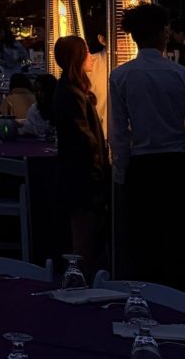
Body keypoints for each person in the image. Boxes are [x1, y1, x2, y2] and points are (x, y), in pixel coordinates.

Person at [108, 3, 185, 295]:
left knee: (144, 244)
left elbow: (118, 133)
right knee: (182, 244)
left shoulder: (121, 76)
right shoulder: (180, 75)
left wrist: (121, 173)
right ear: (162, 33)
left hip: (142, 167)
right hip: (176, 165)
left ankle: (147, 302)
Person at [53, 36, 108, 276]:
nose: (91, 57)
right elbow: (84, 138)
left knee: (86, 236)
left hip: (79, 173)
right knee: (84, 237)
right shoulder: (71, 93)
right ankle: (79, 282)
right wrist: (98, 168)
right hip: (82, 176)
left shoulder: (70, 89)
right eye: (86, 52)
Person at [22, 73, 57, 138]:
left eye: (43, 90)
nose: (39, 94)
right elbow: (28, 129)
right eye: (37, 90)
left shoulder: (61, 109)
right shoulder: (34, 109)